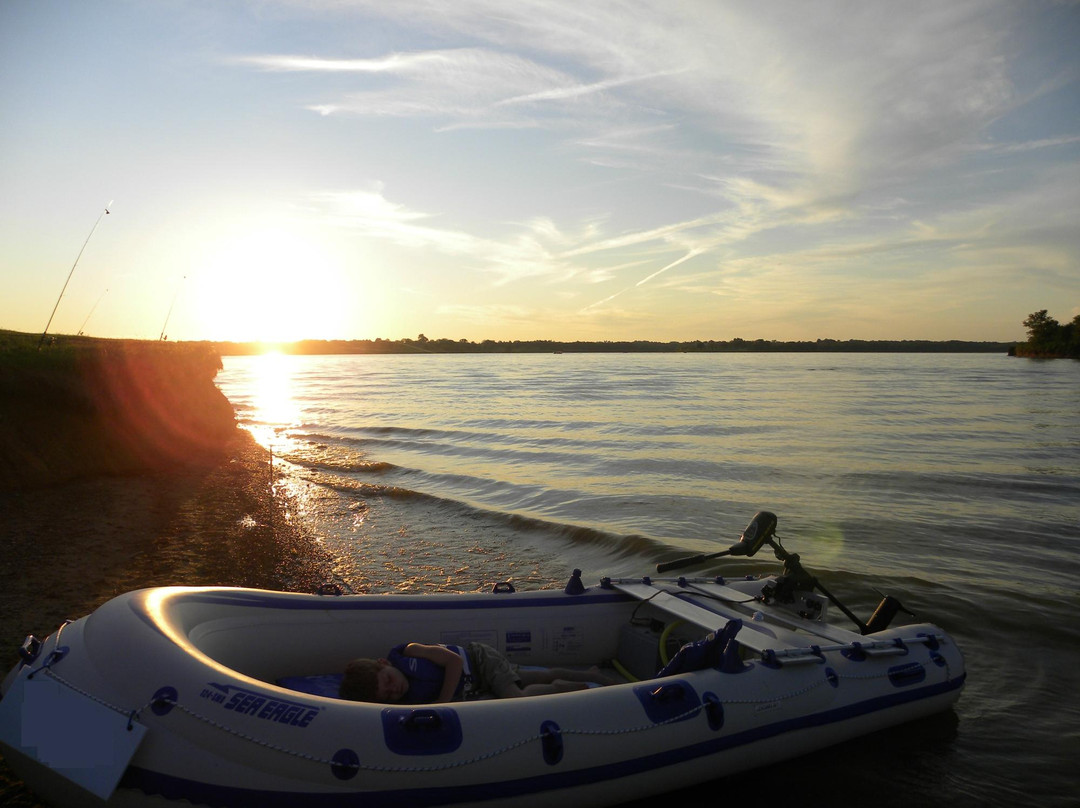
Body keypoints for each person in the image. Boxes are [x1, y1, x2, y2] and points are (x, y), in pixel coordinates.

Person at [339, 641, 614, 703]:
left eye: (387, 681)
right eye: (387, 695)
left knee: (516, 697)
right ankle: (588, 674)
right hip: (478, 682)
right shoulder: (409, 702)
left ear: (384, 664)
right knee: (538, 675)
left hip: (480, 660)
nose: (394, 689)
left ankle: (581, 683)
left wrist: (443, 703)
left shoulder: (410, 651)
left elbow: (454, 662)